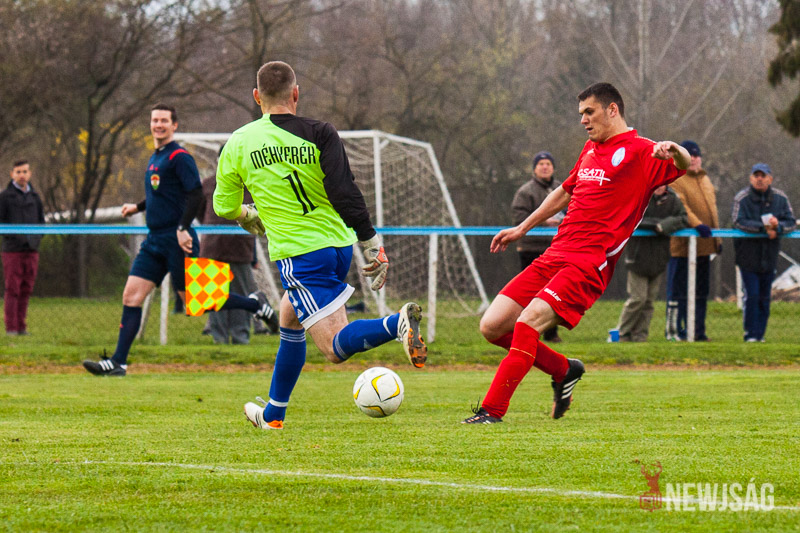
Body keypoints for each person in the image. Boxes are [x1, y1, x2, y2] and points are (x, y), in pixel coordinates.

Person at [213, 61, 427, 430]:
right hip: (338, 248)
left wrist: (247, 214)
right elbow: (344, 191)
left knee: (333, 348)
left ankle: (395, 324)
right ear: (296, 94)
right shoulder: (321, 132)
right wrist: (371, 241)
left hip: (300, 255)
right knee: (289, 318)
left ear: (256, 97)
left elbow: (224, 206)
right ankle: (273, 415)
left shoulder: (239, 142)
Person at [463, 82, 690, 424]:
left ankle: (491, 412)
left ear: (612, 110)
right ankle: (563, 369)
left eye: (589, 112)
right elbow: (564, 192)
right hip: (556, 253)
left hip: (589, 262)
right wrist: (522, 228)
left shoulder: (642, 151)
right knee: (492, 326)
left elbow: (683, 165)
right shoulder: (590, 149)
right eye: (581, 113)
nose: (583, 119)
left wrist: (675, 149)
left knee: (527, 323)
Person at [82, 103, 277, 377]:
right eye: (155, 120)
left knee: (194, 302)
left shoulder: (180, 157)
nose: (158, 125)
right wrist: (137, 207)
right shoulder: (156, 157)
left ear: (174, 125)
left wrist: (183, 228)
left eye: (164, 120)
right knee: (131, 296)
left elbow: (194, 193)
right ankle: (118, 362)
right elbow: (161, 194)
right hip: (154, 240)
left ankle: (255, 304)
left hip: (177, 239)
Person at [198, 167, 278, 344]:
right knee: (217, 294)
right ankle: (225, 337)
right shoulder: (210, 183)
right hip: (216, 246)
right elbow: (199, 209)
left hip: (236, 246)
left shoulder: (247, 183)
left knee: (235, 293)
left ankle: (235, 336)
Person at [732, 163, 795, 342]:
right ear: (751, 178)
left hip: (769, 256)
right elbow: (738, 221)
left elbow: (791, 221)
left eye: (763, 176)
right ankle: (750, 334)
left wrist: (778, 227)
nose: (759, 179)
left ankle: (760, 335)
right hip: (748, 256)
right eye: (756, 175)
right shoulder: (742, 198)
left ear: (770, 179)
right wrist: (763, 228)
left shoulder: (780, 198)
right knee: (752, 295)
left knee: (764, 298)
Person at [615, 185, 688, 342]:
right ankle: (622, 333)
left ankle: (640, 335)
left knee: (649, 302)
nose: (660, 186)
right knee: (637, 299)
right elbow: (630, 217)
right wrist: (656, 226)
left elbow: (683, 218)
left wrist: (665, 225)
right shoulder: (639, 196)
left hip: (659, 258)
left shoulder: (673, 199)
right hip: (637, 257)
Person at [665, 140, 721, 341]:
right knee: (679, 293)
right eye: (691, 155)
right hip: (683, 248)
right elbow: (682, 207)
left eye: (697, 155)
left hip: (704, 247)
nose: (695, 159)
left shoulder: (705, 179)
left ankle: (698, 332)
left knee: (701, 293)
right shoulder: (676, 178)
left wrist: (717, 241)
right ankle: (677, 331)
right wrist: (697, 225)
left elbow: (713, 210)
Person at [511, 151, 563, 342]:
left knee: (553, 292)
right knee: (530, 293)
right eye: (541, 164)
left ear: (553, 167)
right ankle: (526, 331)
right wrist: (543, 221)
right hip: (531, 248)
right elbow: (518, 218)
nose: (545, 167)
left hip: (556, 248)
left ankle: (551, 332)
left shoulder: (561, 188)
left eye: (548, 163)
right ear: (534, 169)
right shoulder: (525, 192)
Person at [0, 160, 44, 336]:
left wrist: (36, 239)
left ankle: (21, 326)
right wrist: (16, 237)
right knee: (13, 288)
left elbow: (41, 222)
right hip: (13, 250)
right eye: (18, 172)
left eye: (25, 171)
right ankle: (11, 327)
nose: (22, 175)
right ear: (12, 174)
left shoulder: (35, 197)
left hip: (31, 250)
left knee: (26, 288)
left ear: (29, 173)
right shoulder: (5, 197)